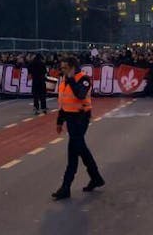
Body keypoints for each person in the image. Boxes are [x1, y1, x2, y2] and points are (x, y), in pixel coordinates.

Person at [52, 56, 105, 201]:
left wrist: (71, 80)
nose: (61, 70)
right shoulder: (64, 81)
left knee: (74, 151)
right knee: (79, 150)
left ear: (72, 67)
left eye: (64, 68)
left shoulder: (84, 79)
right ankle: (95, 178)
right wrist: (59, 121)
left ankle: (66, 187)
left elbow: (80, 95)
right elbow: (63, 102)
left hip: (81, 118)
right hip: (70, 118)